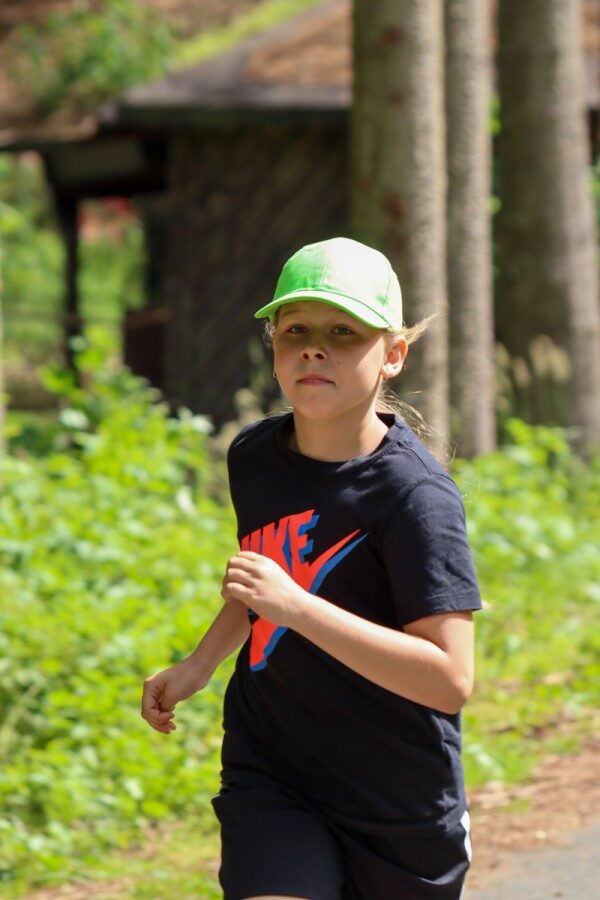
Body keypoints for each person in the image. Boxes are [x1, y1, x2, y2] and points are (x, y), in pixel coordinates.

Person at [141, 237, 483, 900]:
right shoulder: (254, 457)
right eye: (295, 330)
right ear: (273, 346)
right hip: (275, 770)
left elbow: (449, 680)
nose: (314, 349)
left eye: (343, 331)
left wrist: (298, 608)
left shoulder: (416, 498)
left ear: (393, 354)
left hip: (396, 801)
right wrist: (199, 665)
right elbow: (262, 582)